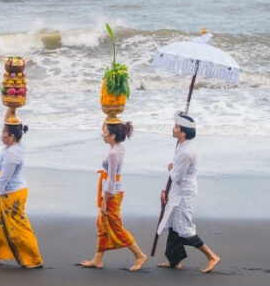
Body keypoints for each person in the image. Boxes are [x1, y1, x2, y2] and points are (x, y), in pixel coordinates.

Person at [156, 112, 221, 273]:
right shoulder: (180, 144)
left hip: (185, 193)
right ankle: (174, 260)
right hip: (177, 191)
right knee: (173, 224)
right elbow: (174, 174)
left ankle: (212, 256)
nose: (173, 129)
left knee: (184, 228)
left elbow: (177, 176)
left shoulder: (187, 151)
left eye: (177, 127)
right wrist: (164, 189)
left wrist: (170, 169)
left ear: (183, 132)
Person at [80, 121, 148, 271]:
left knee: (116, 227)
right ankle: (98, 260)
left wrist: (104, 201)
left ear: (112, 136)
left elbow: (110, 180)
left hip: (112, 193)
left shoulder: (112, 154)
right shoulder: (119, 148)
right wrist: (110, 117)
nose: (102, 134)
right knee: (102, 224)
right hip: (116, 190)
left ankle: (140, 255)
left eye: (104, 131)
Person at [0, 115, 43, 268]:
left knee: (20, 227)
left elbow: (3, 179)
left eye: (4, 133)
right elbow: (9, 116)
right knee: (0, 225)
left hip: (13, 194)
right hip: (7, 194)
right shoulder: (15, 144)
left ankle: (35, 259)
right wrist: (11, 107)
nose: (1, 135)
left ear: (12, 137)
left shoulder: (13, 154)